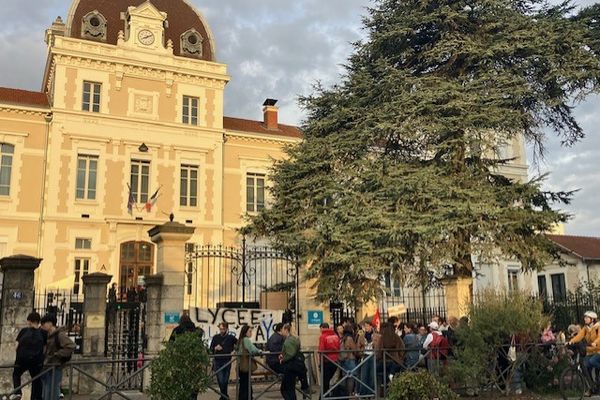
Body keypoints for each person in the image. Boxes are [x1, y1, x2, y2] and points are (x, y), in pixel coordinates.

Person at [11, 312, 46, 400]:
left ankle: (18, 393)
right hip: (36, 361)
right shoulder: (43, 333)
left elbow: (16, 346)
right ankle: (36, 397)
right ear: (38, 321)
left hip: (22, 360)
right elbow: (45, 348)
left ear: (30, 321)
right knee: (36, 379)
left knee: (16, 374)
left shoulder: (24, 331)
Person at [169, 314, 204, 400]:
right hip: (195, 362)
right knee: (194, 383)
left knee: (183, 384)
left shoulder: (177, 330)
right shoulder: (196, 331)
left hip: (181, 361)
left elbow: (170, 344)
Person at [40, 314, 75, 400]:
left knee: (53, 390)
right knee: (47, 391)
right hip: (48, 366)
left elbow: (71, 346)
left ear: (50, 323)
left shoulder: (60, 335)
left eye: (44, 323)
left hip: (55, 365)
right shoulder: (49, 335)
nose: (42, 326)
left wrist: (57, 354)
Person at [568, 311, 600, 394]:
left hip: (598, 349)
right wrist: (571, 341)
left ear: (592, 319)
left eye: (587, 318)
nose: (585, 319)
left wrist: (595, 342)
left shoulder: (598, 326)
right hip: (591, 351)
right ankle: (594, 387)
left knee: (592, 361)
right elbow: (579, 336)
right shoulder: (586, 328)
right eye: (585, 317)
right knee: (585, 365)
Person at [280, 324, 309, 400]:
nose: (281, 331)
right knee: (289, 388)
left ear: (286, 330)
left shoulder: (289, 340)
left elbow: (290, 353)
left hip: (290, 366)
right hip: (295, 366)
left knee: (286, 389)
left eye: (282, 329)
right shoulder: (294, 338)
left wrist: (283, 359)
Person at [209, 322, 237, 400]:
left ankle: (223, 396)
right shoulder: (215, 337)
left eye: (223, 329)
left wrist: (234, 351)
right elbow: (210, 348)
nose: (222, 331)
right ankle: (224, 396)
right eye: (220, 329)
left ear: (227, 329)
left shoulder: (231, 337)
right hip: (218, 361)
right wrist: (215, 348)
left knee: (225, 380)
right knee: (220, 380)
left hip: (227, 361)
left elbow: (238, 344)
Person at [237, 325, 261, 400]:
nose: (251, 333)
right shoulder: (246, 340)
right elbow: (252, 349)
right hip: (246, 366)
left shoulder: (240, 340)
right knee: (246, 384)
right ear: (245, 332)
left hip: (240, 366)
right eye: (250, 331)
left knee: (243, 384)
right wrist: (260, 351)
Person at [318, 323, 339, 399]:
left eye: (320, 329)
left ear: (322, 328)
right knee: (328, 380)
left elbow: (321, 350)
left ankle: (323, 397)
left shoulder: (323, 337)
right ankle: (324, 396)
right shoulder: (335, 336)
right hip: (335, 361)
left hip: (326, 361)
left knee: (325, 382)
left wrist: (320, 363)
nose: (320, 330)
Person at [338, 324, 359, 396]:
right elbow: (354, 349)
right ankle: (349, 394)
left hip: (343, 360)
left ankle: (344, 394)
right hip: (350, 359)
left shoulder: (342, 338)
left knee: (345, 377)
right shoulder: (349, 338)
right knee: (351, 377)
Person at [357, 320, 376, 396]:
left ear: (371, 326)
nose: (366, 327)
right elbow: (358, 347)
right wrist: (361, 353)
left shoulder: (376, 335)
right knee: (364, 375)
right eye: (365, 326)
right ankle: (363, 393)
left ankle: (371, 393)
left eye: (368, 326)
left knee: (372, 375)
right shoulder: (361, 336)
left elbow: (379, 346)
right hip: (364, 356)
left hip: (373, 356)